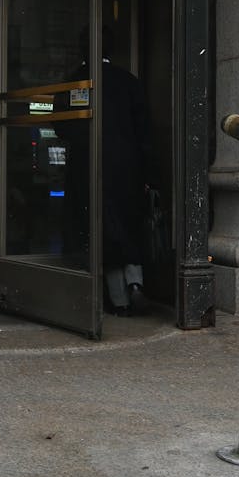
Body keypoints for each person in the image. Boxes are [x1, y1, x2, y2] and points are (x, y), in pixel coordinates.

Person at [100, 26, 150, 316]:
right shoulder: (129, 82)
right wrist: (147, 175)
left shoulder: (78, 81)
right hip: (129, 169)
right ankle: (136, 282)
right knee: (129, 228)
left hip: (95, 169)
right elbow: (145, 134)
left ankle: (118, 300)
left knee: (106, 233)